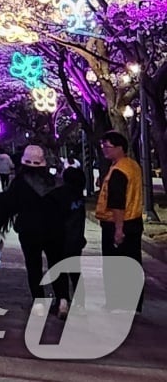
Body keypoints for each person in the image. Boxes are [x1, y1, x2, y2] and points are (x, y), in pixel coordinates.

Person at [4, 144, 69, 308]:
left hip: (29, 230)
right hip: (54, 230)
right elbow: (65, 206)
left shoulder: (19, 182)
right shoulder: (54, 181)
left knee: (33, 266)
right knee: (57, 263)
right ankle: (62, 299)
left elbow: (11, 205)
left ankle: (39, 302)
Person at [95, 131, 144, 312]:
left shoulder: (118, 171)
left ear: (119, 148)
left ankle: (117, 303)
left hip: (118, 223)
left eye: (107, 147)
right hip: (134, 221)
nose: (104, 150)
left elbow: (117, 202)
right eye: (103, 147)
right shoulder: (132, 166)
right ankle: (134, 304)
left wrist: (118, 229)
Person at [47, 165, 87, 319]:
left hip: (58, 240)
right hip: (75, 241)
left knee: (59, 271)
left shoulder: (56, 195)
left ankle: (62, 302)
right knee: (75, 272)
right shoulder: (79, 198)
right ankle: (80, 304)